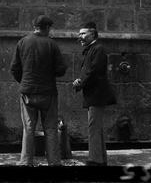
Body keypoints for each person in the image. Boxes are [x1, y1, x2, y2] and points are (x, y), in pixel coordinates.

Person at [10, 15, 67, 166]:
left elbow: (14, 68)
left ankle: (25, 162)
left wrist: (24, 82)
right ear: (47, 28)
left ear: (34, 27)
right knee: (50, 128)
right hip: (48, 93)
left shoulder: (22, 42)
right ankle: (54, 162)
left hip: (27, 92)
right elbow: (61, 69)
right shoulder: (52, 44)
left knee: (28, 128)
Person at [72, 21, 116, 166]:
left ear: (93, 34)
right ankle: (100, 158)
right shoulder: (93, 49)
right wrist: (81, 80)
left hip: (97, 94)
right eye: (79, 34)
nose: (80, 37)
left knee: (93, 127)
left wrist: (80, 82)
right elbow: (89, 71)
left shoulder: (98, 49)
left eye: (84, 33)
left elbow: (94, 71)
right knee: (96, 127)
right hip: (94, 93)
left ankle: (95, 160)